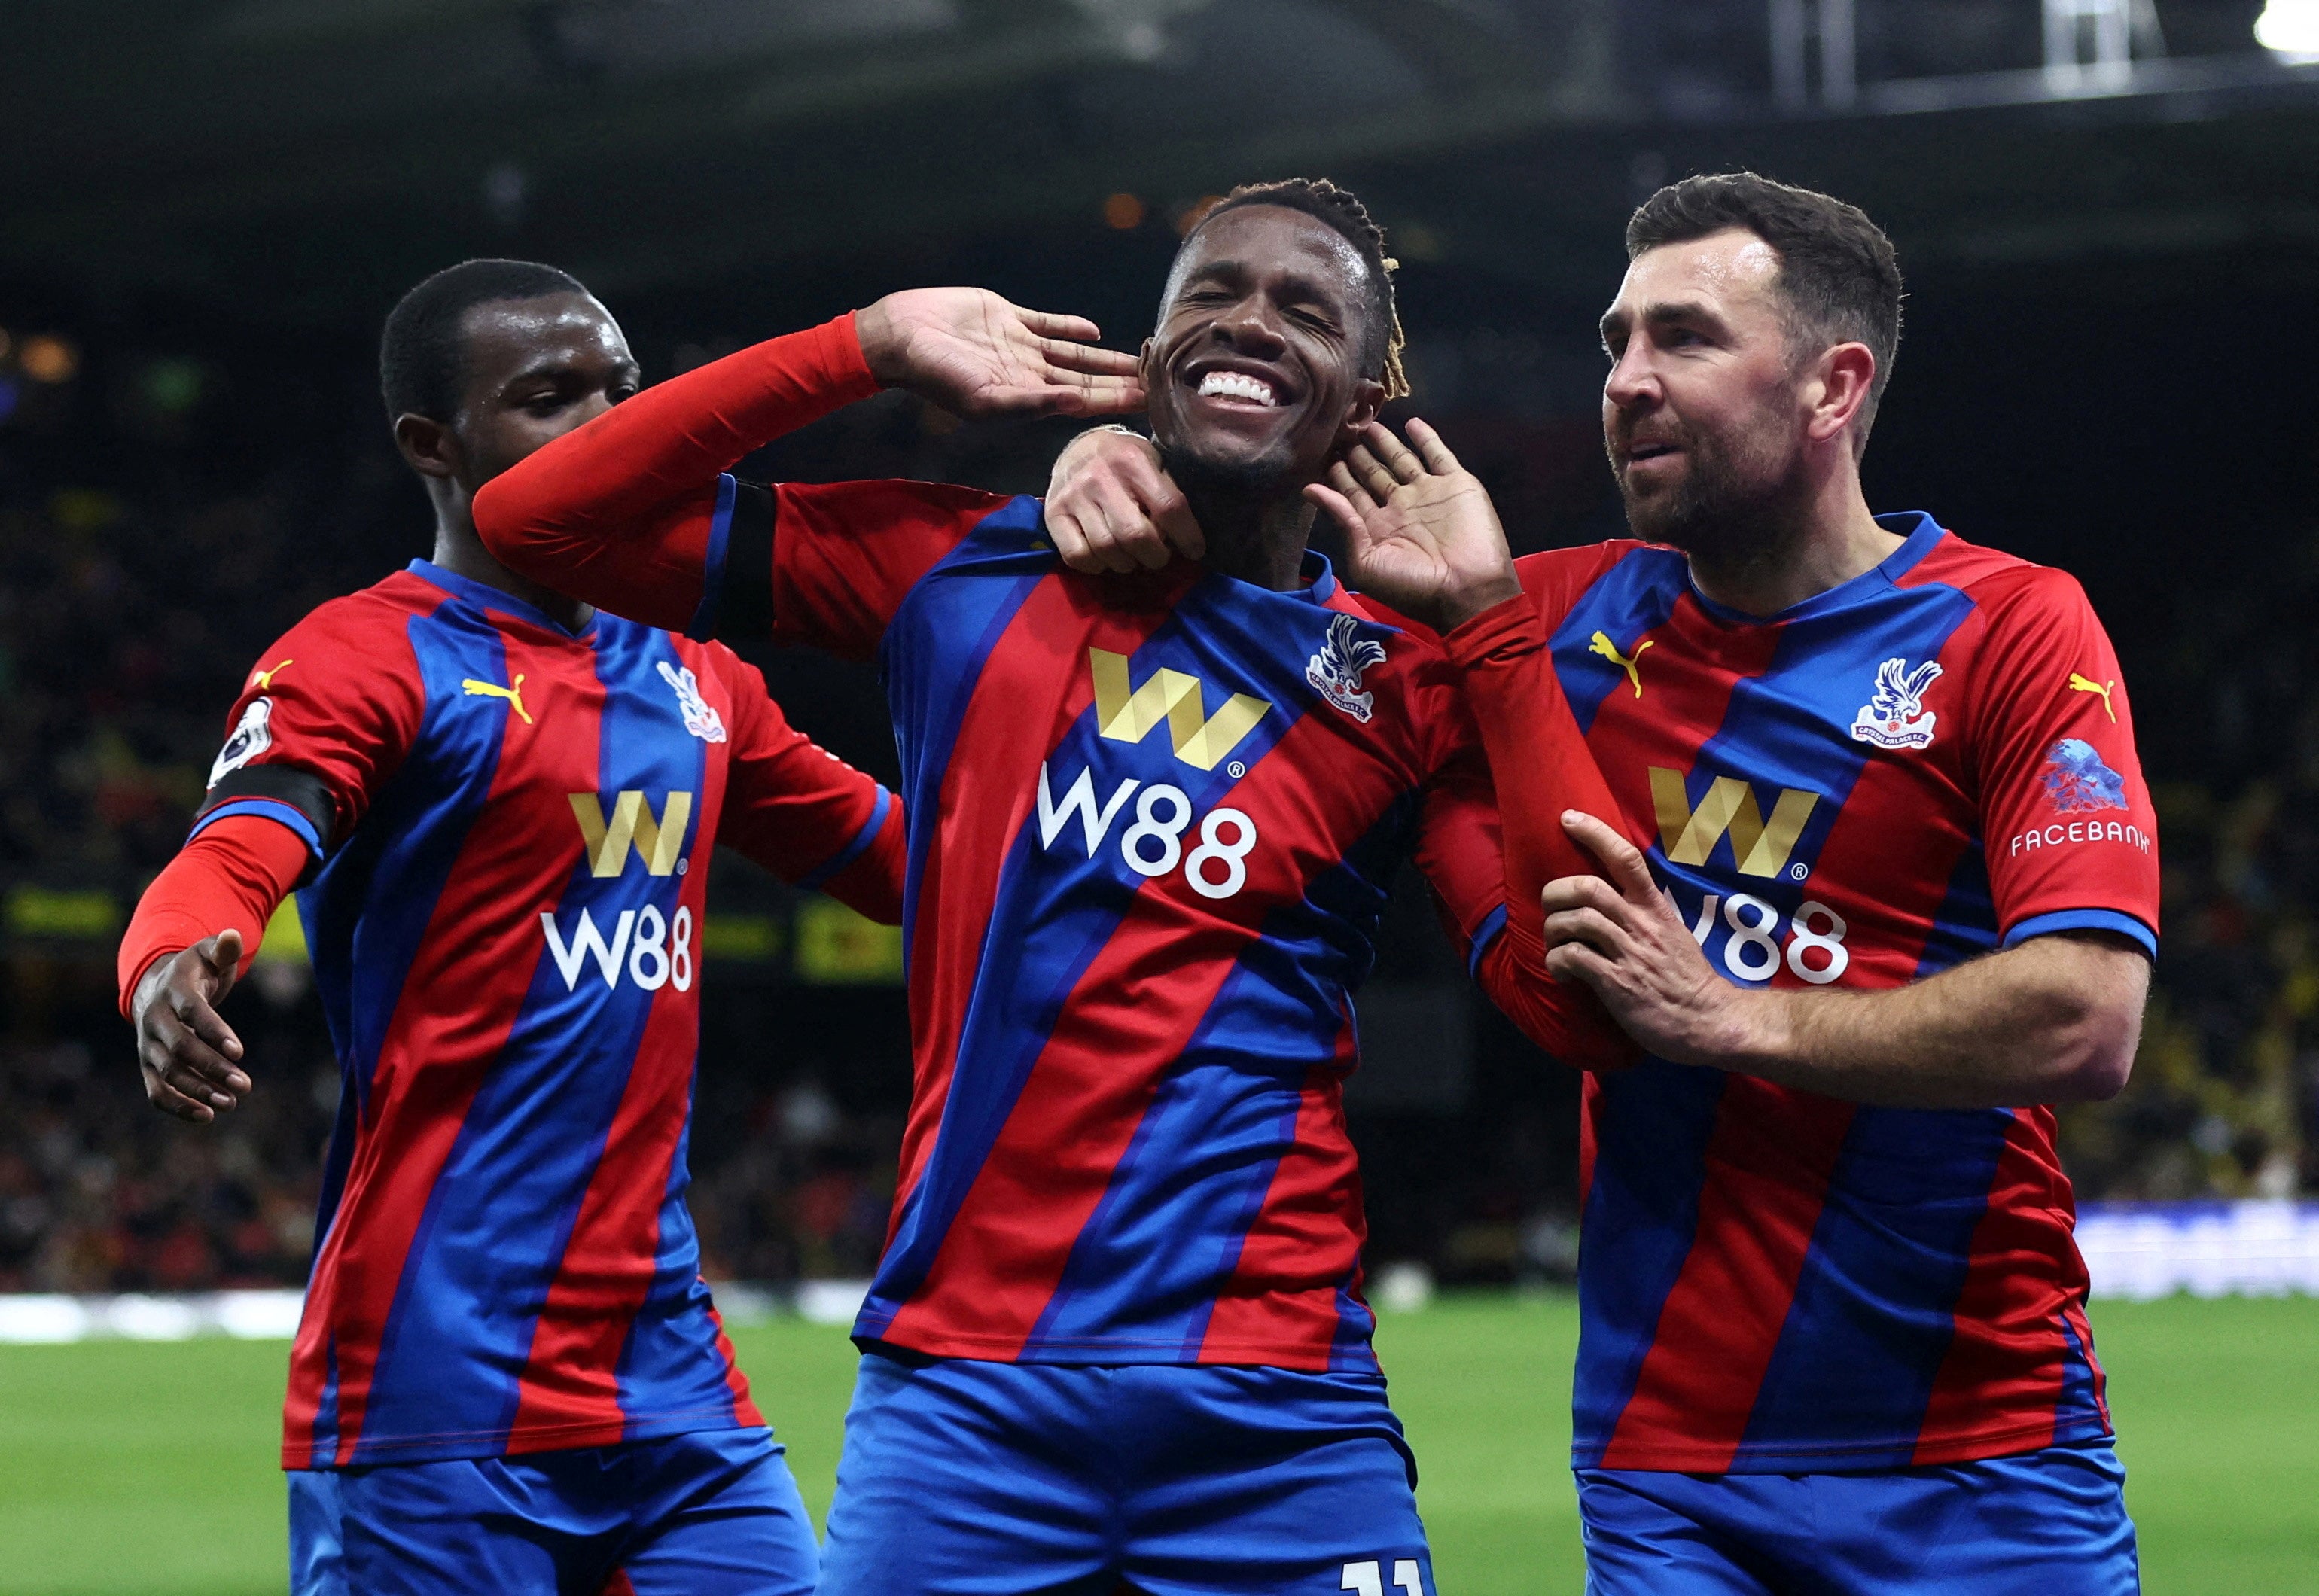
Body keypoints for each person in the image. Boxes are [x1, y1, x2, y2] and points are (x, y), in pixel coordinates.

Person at [474, 177, 1631, 1596]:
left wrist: (1492, 629)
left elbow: (1585, 1009)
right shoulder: (956, 565)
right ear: (1146, 358)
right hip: (964, 1406)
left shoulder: (1404, 680)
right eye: (1211, 293)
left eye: (1305, 311)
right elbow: (537, 521)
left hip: (1279, 1410)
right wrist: (869, 344)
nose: (1250, 323)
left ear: (1364, 402)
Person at [1065, 172, 2156, 1593]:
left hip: (1984, 1450)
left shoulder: (2008, 627)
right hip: (1668, 1478)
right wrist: (1108, 462)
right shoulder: (1542, 617)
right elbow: (1257, 625)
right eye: (1616, 341)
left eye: (1686, 338)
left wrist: (1737, 1019)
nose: (1628, 381)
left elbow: (2088, 1017)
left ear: (1835, 386)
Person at [117, 257, 1131, 1595]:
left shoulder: (699, 674)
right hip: (431, 1387)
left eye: (621, 391)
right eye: (550, 401)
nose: (608, 427)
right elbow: (242, 843)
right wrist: (168, 958)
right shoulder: (371, 654)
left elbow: (920, 864)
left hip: (672, 1384)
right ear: (435, 445)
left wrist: (1161, 839)